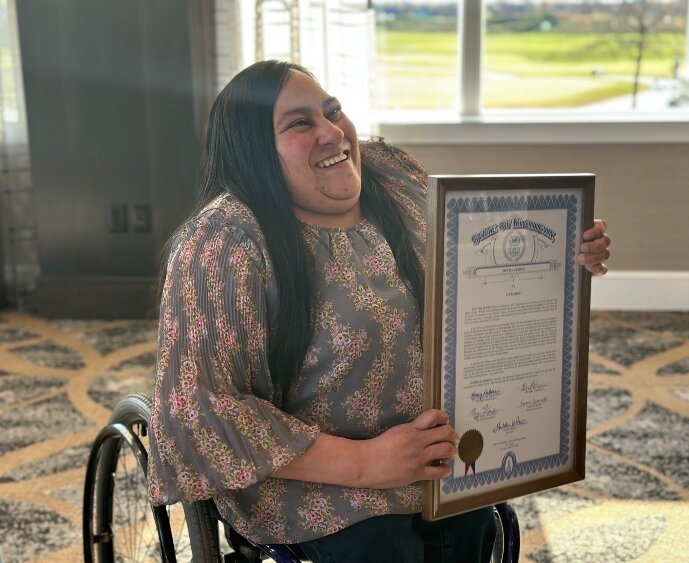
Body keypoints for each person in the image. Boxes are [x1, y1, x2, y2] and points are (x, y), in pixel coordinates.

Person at [147, 60, 611, 563]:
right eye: (300, 124)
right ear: (253, 152)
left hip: (434, 457)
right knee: (382, 550)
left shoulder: (396, 183)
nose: (331, 132)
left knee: (476, 532)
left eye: (332, 111)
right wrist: (367, 462)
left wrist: (561, 258)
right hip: (310, 483)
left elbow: (479, 275)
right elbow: (199, 411)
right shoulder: (222, 243)